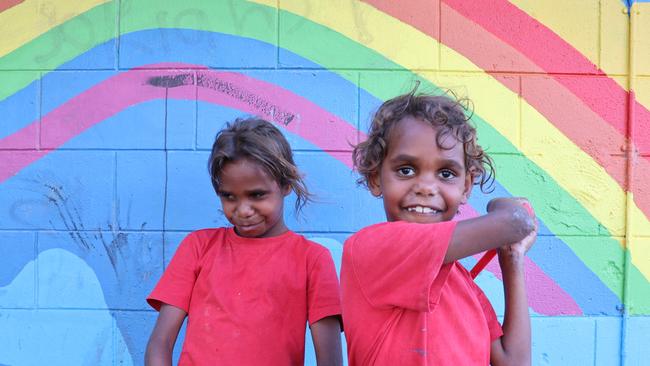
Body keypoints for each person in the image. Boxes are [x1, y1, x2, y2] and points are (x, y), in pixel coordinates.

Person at [341, 89, 537, 365]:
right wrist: (505, 211)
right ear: (375, 178)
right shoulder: (369, 247)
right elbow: (516, 222)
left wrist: (512, 257)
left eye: (446, 174)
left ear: (466, 186)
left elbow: (514, 361)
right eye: (406, 170)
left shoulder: (462, 282)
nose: (425, 187)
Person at [145, 118, 343, 366]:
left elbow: (330, 360)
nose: (243, 210)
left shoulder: (312, 259)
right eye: (229, 197)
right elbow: (160, 343)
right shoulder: (198, 247)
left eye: (257, 195)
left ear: (286, 185)